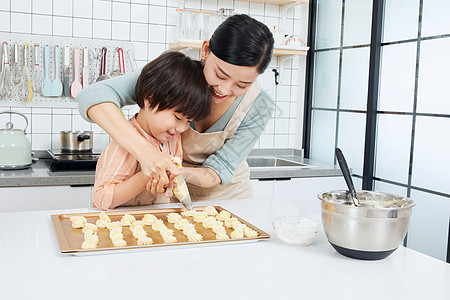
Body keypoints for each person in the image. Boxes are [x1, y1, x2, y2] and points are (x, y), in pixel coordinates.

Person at [77, 14, 275, 201]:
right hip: (171, 196)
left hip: (229, 196)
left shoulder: (259, 106)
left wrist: (171, 170)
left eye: (242, 85)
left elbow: (218, 170)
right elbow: (92, 96)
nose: (224, 89)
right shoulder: (179, 75)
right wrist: (147, 154)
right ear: (205, 50)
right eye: (220, 75)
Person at [93, 51, 211, 210]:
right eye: (177, 117)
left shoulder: (172, 138)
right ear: (150, 99)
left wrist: (165, 183)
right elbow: (101, 198)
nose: (182, 128)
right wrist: (144, 178)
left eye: (188, 121)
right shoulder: (125, 142)